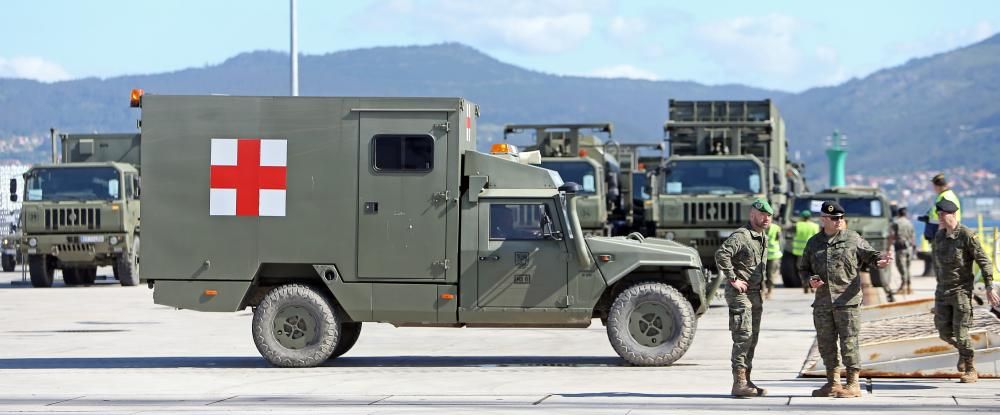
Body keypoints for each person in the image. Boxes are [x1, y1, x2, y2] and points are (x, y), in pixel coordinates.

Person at [798, 201, 892, 398]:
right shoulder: (814, 243)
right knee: (826, 343)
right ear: (823, 220)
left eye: (841, 218)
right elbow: (804, 268)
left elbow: (870, 254)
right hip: (823, 302)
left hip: (847, 302)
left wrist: (880, 261)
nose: (839, 221)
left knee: (849, 343)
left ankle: (852, 384)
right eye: (834, 218)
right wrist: (810, 280)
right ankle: (832, 383)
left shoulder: (852, 238)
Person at [931, 199, 999, 383]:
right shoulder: (939, 237)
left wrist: (989, 286)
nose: (939, 218)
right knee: (943, 333)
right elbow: (939, 266)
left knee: (961, 332)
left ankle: (970, 368)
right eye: (938, 215)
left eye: (942, 214)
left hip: (961, 291)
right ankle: (963, 351)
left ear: (952, 215)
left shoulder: (967, 235)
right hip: (942, 292)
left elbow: (984, 261)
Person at [715, 197, 772, 397]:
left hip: (755, 294)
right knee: (743, 336)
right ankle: (738, 382)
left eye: (768, 215)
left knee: (752, 338)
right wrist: (733, 279)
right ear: (752, 215)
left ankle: (746, 379)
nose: (766, 219)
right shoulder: (742, 235)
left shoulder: (762, 236)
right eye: (762, 215)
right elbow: (722, 254)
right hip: (741, 293)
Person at [921, 173, 961, 243]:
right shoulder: (944, 195)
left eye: (934, 186)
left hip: (944, 230)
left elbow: (945, 217)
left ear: (937, 186)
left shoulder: (945, 197)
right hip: (943, 229)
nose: (933, 189)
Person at [789, 209, 820, 293]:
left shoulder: (797, 225)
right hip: (812, 251)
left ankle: (805, 285)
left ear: (801, 217)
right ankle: (813, 287)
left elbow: (789, 232)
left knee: (803, 270)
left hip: (800, 252)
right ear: (810, 217)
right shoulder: (815, 226)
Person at [889, 206, 916, 295]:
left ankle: (903, 285)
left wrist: (888, 247)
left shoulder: (896, 223)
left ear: (898, 214)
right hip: (909, 247)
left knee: (901, 266)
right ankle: (909, 286)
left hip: (900, 247)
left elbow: (892, 235)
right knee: (908, 267)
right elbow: (913, 237)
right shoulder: (909, 223)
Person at [765, 219, 782, 299]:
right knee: (760, 275)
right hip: (762, 256)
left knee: (770, 275)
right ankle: (762, 292)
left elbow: (779, 239)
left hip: (774, 255)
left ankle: (769, 292)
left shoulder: (776, 228)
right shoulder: (759, 227)